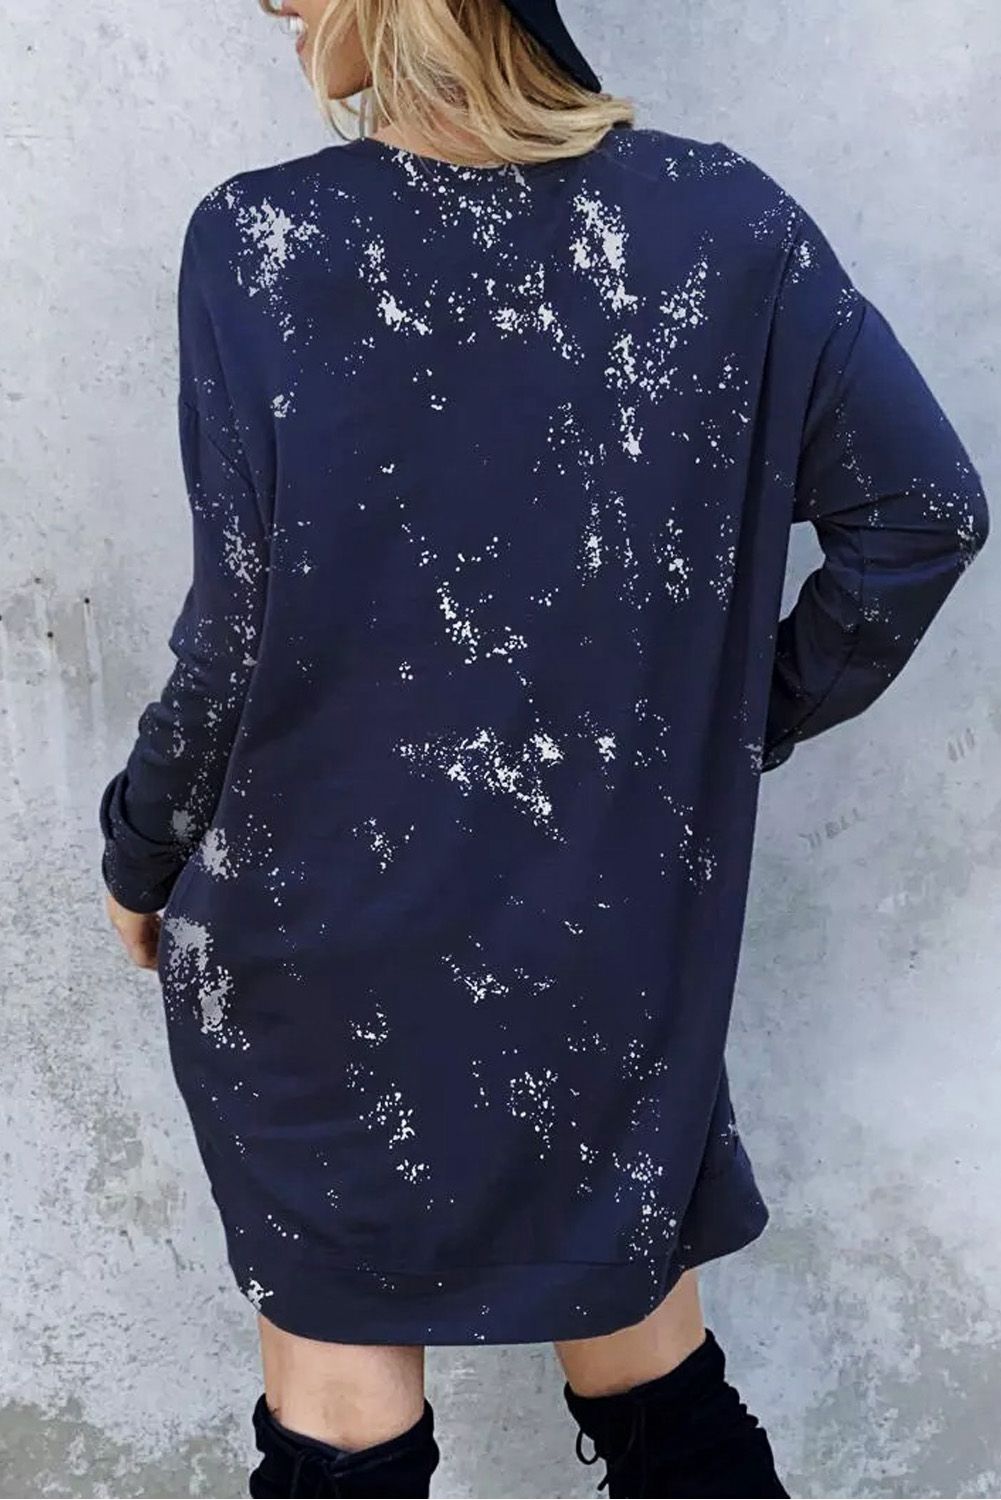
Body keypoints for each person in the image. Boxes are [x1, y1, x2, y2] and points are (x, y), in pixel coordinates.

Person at [97, 0, 990, 1495]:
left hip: (315, 952)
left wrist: (140, 850)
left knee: (339, 1409)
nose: (274, 5)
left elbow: (236, 635)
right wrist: (698, 739)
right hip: (600, 938)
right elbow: (922, 517)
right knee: (653, 1374)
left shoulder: (263, 242)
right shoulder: (723, 222)